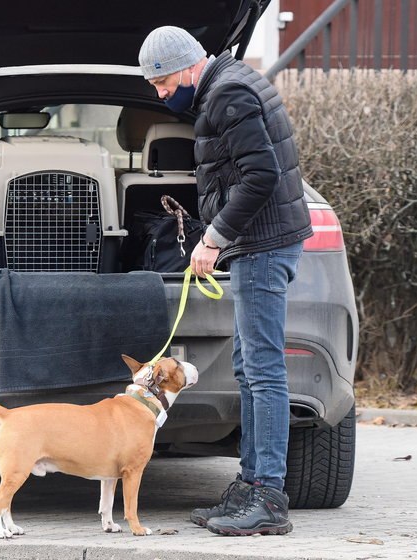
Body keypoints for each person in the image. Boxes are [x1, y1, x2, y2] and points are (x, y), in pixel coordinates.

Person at [138, 26, 313, 536]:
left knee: (263, 370)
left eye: (164, 81)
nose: (161, 92)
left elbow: (261, 175)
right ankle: (250, 483)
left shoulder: (228, 93)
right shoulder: (227, 84)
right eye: (153, 85)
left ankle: (268, 498)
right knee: (249, 365)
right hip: (261, 241)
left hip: (262, 243)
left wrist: (213, 238)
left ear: (190, 65)